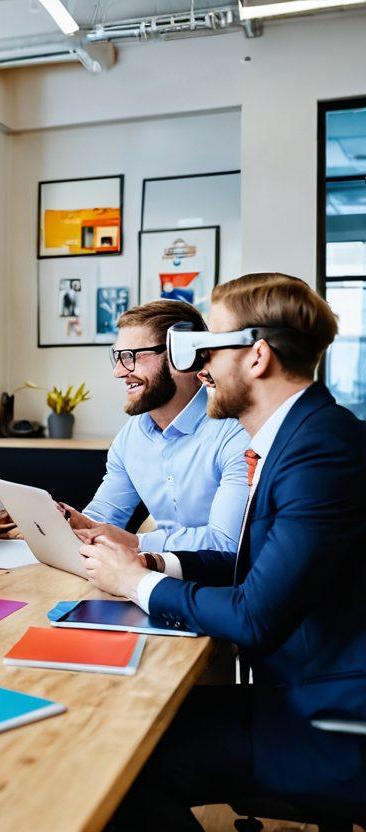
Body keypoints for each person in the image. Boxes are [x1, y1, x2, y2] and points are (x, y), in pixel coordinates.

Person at [77, 274, 366, 828]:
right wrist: (152, 563)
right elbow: (249, 564)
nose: (200, 366)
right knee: (127, 724)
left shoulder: (321, 452)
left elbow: (254, 616)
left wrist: (137, 584)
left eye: (208, 348)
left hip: (332, 719)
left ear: (256, 356)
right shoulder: (299, 438)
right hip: (302, 691)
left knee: (116, 760)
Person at [61, 300, 251, 552]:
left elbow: (226, 543)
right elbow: (104, 518)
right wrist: (67, 521)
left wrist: (135, 542)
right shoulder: (131, 436)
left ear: (184, 356)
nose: (119, 372)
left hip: (221, 586)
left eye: (132, 357)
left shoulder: (235, 432)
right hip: (153, 577)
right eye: (117, 357)